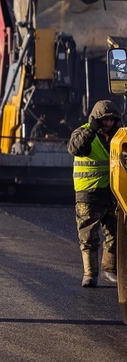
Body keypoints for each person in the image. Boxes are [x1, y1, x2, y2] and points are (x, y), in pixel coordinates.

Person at [67, 100, 120, 288]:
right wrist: (91, 129)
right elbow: (76, 148)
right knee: (89, 236)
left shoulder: (118, 136)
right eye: (104, 120)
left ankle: (109, 268)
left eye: (112, 120)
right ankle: (90, 274)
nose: (108, 123)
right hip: (88, 193)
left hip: (113, 193)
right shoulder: (82, 133)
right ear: (96, 119)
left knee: (116, 233)